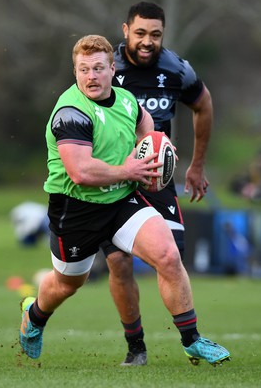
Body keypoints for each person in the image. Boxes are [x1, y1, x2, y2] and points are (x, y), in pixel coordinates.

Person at [19, 34, 230, 367]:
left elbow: (144, 122)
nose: (91, 76)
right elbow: (80, 172)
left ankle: (192, 340)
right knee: (68, 282)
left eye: (98, 68)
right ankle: (34, 316)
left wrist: (156, 145)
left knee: (167, 255)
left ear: (111, 69)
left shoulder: (126, 100)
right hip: (76, 210)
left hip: (119, 202)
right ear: (75, 72)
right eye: (83, 69)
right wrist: (131, 169)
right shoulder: (70, 112)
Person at [100, 1, 216, 365]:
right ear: (125, 31)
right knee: (118, 263)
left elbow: (203, 105)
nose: (147, 42)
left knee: (171, 258)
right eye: (140, 33)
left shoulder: (177, 69)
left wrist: (196, 166)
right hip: (114, 179)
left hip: (157, 177)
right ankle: (136, 348)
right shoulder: (107, 69)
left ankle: (190, 338)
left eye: (155, 35)